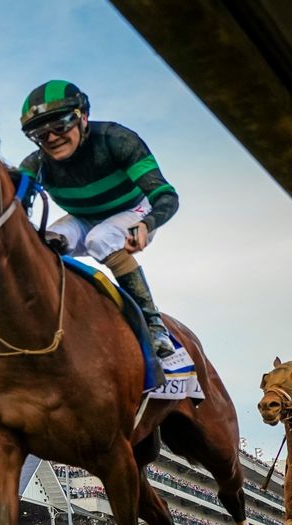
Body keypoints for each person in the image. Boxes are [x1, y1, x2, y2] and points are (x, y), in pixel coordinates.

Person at [17, 80, 177, 357]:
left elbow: (165, 195)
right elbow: (14, 208)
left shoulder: (119, 140)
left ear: (83, 117)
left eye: (61, 125)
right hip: (82, 217)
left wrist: (147, 224)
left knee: (100, 239)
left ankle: (154, 325)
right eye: (40, 133)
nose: (52, 138)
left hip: (133, 210)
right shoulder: (35, 164)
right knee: (40, 243)